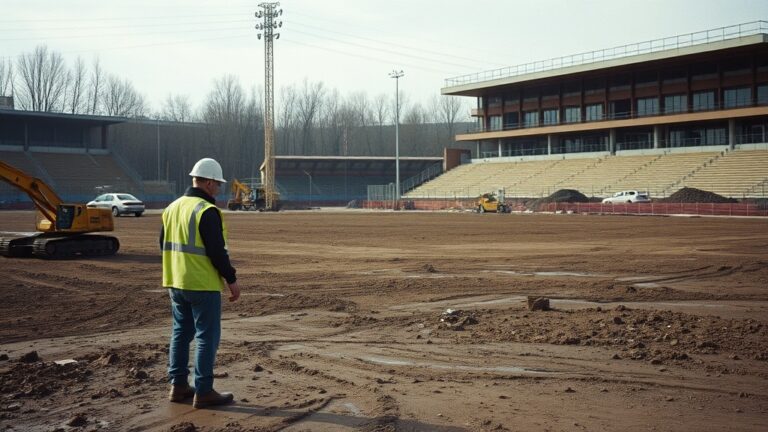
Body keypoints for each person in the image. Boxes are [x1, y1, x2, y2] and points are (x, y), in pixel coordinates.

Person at [160, 157, 241, 408]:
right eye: (216, 184)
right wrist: (232, 279)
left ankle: (179, 386)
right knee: (207, 336)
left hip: (175, 281)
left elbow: (162, 244)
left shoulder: (172, 208)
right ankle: (204, 391)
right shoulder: (206, 211)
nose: (218, 189)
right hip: (202, 284)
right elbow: (218, 252)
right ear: (206, 182)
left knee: (180, 334)